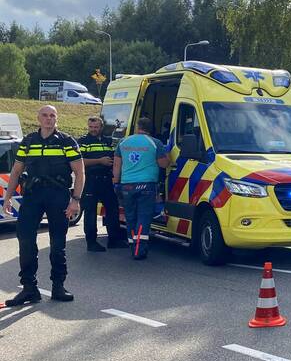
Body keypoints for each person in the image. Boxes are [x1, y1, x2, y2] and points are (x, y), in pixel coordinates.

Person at [3, 105, 84, 305]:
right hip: (33, 196)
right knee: (25, 240)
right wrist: (7, 198)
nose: (49, 119)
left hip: (58, 196)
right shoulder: (29, 141)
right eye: (45, 115)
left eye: (52, 116)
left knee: (58, 243)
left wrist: (76, 200)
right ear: (38, 118)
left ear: (56, 119)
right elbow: (15, 171)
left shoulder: (66, 141)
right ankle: (29, 288)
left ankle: (58, 286)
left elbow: (80, 173)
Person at [113, 117, 169, 260]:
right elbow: (163, 164)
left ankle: (133, 245)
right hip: (146, 185)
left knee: (130, 217)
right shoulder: (155, 143)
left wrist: (115, 183)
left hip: (126, 185)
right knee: (144, 217)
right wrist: (168, 158)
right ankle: (139, 249)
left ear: (137, 127)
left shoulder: (123, 142)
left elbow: (116, 166)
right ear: (151, 129)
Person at [79, 116, 127, 251]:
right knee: (90, 212)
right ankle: (91, 243)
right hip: (90, 180)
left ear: (101, 127)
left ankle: (113, 240)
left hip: (106, 179)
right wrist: (100, 161)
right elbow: (79, 161)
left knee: (113, 209)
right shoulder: (83, 141)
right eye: (91, 127)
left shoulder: (108, 141)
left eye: (96, 127)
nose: (93, 130)